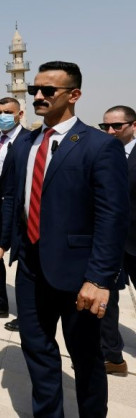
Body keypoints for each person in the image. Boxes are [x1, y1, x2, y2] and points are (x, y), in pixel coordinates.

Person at [0, 62, 128, 417]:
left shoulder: (99, 146)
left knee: (86, 358)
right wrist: (3, 243)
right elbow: (13, 197)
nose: (38, 96)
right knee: (38, 351)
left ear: (74, 95)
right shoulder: (24, 143)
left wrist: (100, 279)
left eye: (48, 91)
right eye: (34, 90)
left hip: (78, 276)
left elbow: (111, 216)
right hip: (30, 270)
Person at [0, 97, 31, 332]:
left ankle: (29, 316)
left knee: (26, 264)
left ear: (20, 114)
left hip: (20, 211)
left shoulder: (29, 141)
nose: (2, 116)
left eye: (8, 112)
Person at [97, 105, 136, 376]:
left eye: (116, 126)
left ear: (133, 125)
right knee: (106, 300)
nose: (110, 131)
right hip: (110, 242)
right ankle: (112, 356)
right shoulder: (102, 153)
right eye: (105, 127)